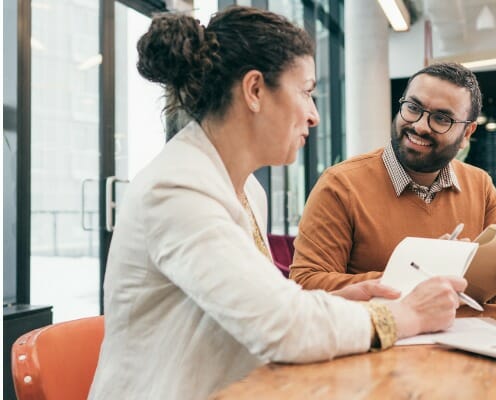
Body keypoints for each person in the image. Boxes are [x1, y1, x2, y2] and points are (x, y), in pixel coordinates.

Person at [88, 7, 467, 399]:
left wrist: (331, 301)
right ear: (254, 90)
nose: (314, 115)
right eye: (306, 92)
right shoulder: (175, 190)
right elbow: (281, 329)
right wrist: (406, 315)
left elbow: (251, 306)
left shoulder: (248, 189)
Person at [289, 62, 496, 309]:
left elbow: (492, 295)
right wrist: (416, 275)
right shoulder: (340, 185)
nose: (419, 125)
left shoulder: (481, 186)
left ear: (467, 134)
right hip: (382, 347)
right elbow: (306, 285)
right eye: (413, 107)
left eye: (442, 118)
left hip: (466, 344)